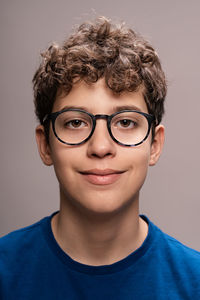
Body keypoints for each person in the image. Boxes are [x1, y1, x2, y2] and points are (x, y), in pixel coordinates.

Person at [0, 16, 199, 299]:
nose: (101, 146)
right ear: (45, 145)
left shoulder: (194, 283)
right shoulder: (5, 274)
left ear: (154, 144)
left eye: (126, 122)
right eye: (76, 122)